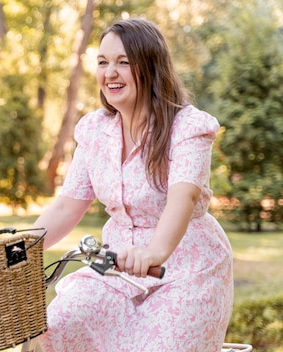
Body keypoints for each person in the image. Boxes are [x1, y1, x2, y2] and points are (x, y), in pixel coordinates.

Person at [31, 18, 233, 351]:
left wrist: (154, 252)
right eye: (102, 62)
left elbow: (182, 199)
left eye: (123, 63)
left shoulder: (187, 127)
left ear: (151, 68)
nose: (110, 73)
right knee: (60, 322)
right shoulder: (95, 130)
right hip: (116, 270)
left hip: (186, 270)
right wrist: (21, 248)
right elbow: (68, 206)